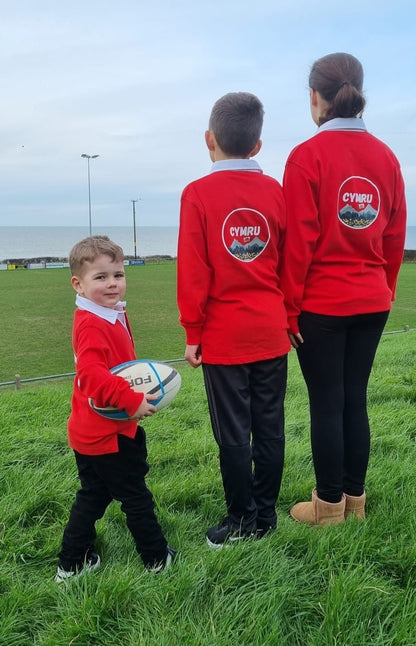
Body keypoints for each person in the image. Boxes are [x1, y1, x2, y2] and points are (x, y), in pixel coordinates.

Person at [280, 52, 407, 525]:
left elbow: (298, 245)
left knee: (328, 402)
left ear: (314, 97)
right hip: (372, 300)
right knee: (355, 397)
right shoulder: (387, 157)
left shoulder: (306, 156)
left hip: (321, 305)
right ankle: (356, 503)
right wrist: (385, 289)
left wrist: (289, 310)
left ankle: (328, 507)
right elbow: (394, 236)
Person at [177, 92, 290, 548]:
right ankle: (265, 516)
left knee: (233, 435)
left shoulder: (197, 194)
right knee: (270, 427)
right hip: (270, 330)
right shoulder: (276, 192)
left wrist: (192, 332)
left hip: (224, 337)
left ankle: (242, 519)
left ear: (209, 139)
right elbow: (289, 263)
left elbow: (193, 271)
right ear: (258, 145)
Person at [55, 236, 175, 582]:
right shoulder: (92, 323)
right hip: (108, 434)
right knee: (135, 497)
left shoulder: (109, 312)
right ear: (78, 283)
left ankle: (71, 564)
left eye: (118, 275)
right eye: (101, 277)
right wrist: (131, 400)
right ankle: (156, 559)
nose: (112, 284)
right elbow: (91, 377)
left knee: (92, 496)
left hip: (93, 431)